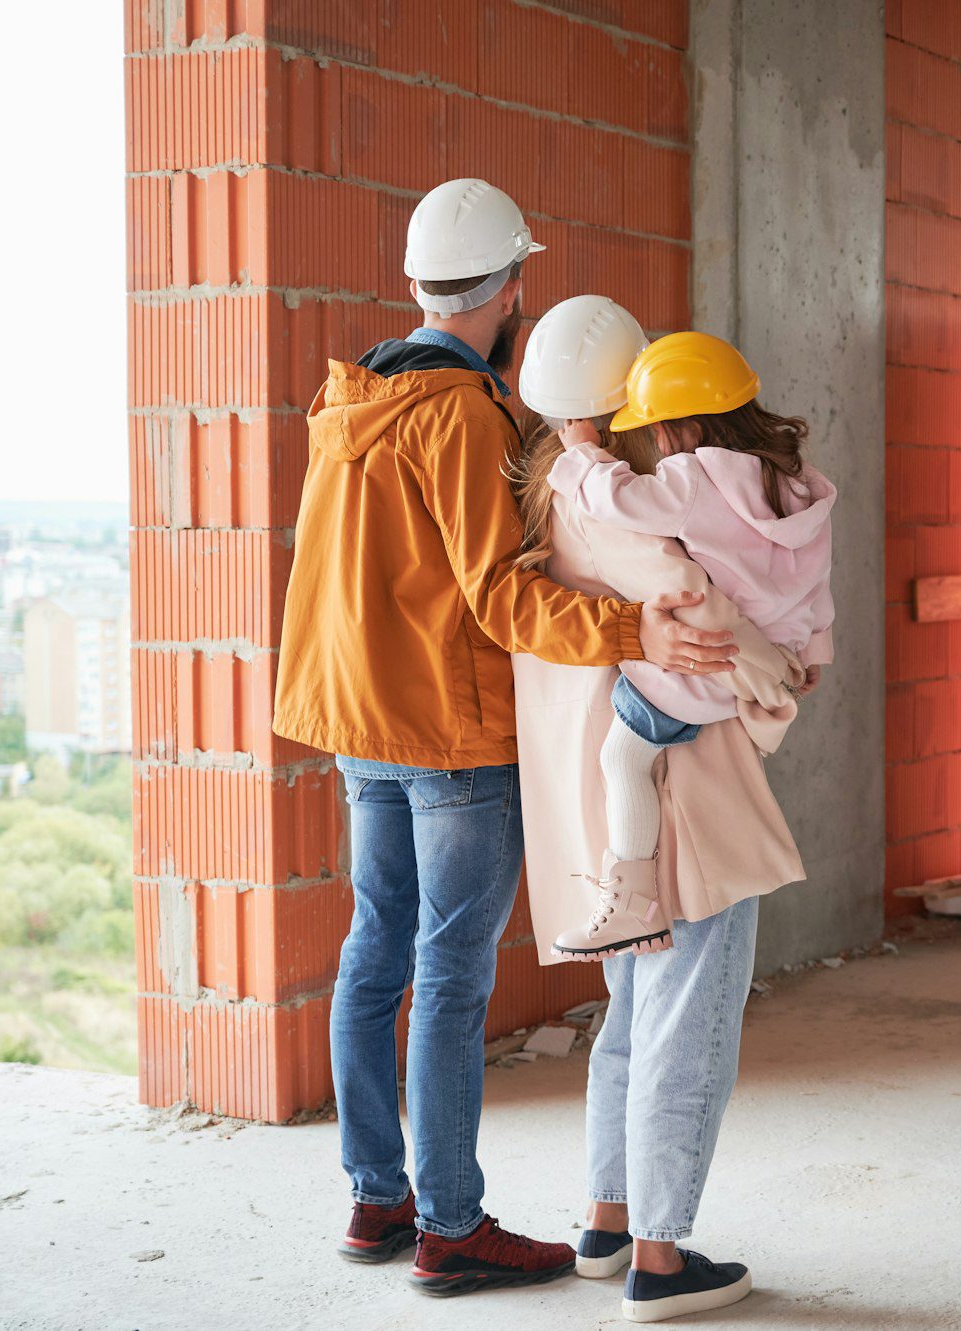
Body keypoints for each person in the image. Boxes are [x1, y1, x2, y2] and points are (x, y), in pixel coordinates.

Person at [273, 179, 741, 1296]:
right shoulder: (464, 417)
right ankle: (449, 1225)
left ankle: (376, 1197)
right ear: (514, 289)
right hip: (444, 731)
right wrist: (636, 626)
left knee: (374, 948)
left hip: (355, 720)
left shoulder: (350, 404)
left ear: (421, 283)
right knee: (446, 972)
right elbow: (500, 596)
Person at [509, 324, 834, 1322]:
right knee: (687, 1023)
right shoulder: (638, 519)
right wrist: (779, 678)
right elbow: (705, 623)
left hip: (607, 795)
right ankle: (659, 1252)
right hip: (684, 795)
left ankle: (609, 1220)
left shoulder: (550, 498)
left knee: (633, 1013)